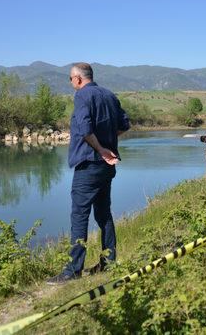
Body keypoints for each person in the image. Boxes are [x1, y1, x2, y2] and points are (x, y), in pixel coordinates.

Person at [48, 62, 130, 284]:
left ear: (77, 79)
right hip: (107, 165)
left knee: (79, 215)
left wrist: (101, 148)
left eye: (70, 79)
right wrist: (108, 142)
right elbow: (125, 124)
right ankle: (109, 261)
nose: (71, 83)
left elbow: (84, 129)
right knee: (104, 214)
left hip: (89, 164)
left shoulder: (83, 96)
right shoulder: (109, 95)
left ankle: (73, 270)